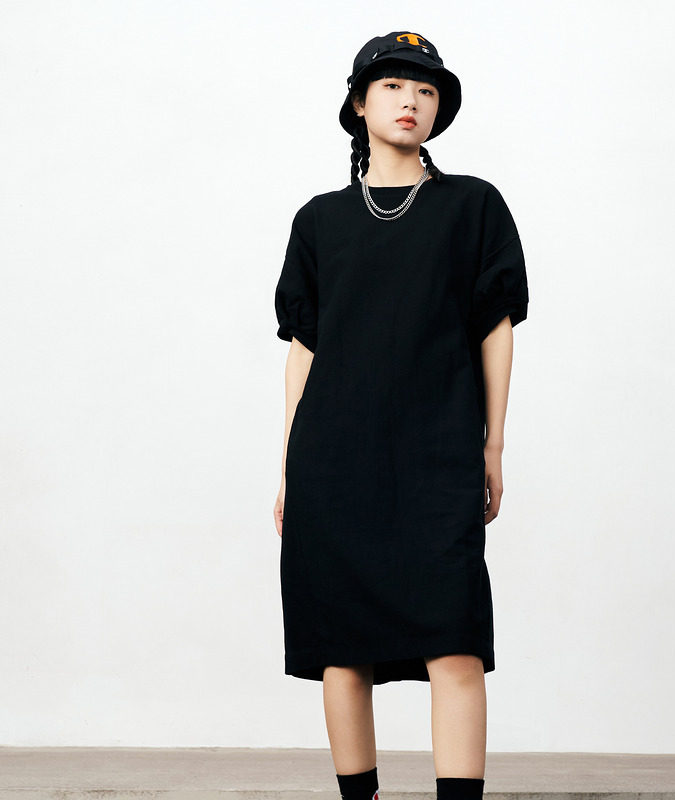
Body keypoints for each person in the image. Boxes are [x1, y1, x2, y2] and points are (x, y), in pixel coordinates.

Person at [273, 31, 529, 800]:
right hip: (332, 464)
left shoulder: (472, 206)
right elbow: (304, 350)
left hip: (436, 457)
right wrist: (287, 469)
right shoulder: (319, 221)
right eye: (391, 86)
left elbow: (495, 328)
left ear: (440, 108)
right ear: (358, 104)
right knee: (342, 650)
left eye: (425, 89)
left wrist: (493, 446)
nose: (410, 100)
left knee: (454, 643)